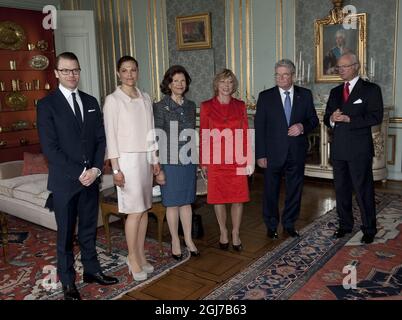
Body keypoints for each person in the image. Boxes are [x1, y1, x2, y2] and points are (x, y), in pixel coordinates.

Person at [37, 52, 118, 300]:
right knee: (65, 236)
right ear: (57, 73)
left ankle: (92, 271)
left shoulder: (91, 100)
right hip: (65, 183)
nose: (72, 75)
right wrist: (81, 172)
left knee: (88, 230)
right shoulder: (47, 105)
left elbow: (99, 139)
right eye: (66, 70)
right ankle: (68, 282)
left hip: (91, 180)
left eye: (75, 70)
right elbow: (50, 148)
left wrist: (94, 169)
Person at [103, 56, 160, 281]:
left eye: (133, 70)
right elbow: (111, 137)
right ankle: (131, 258)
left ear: (138, 72)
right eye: (125, 70)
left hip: (144, 160)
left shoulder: (145, 97)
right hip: (126, 161)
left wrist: (154, 159)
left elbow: (151, 131)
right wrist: (116, 170)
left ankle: (141, 254)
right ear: (118, 73)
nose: (129, 74)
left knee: (144, 209)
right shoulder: (112, 100)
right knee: (133, 212)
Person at [254, 59, 319, 239]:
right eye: (278, 75)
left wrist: (302, 127)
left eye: (285, 74)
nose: (281, 78)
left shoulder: (305, 95)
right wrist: (260, 154)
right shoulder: (265, 96)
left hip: (296, 152)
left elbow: (313, 120)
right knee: (270, 191)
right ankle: (271, 225)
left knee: (294, 190)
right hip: (272, 153)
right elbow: (260, 127)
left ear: (293, 76)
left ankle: (289, 224)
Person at [323, 52, 383, 244]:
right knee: (341, 190)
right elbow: (326, 118)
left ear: (356, 66)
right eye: (338, 67)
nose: (340, 70)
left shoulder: (371, 90)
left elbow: (376, 117)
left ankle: (369, 228)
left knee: (363, 190)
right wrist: (331, 119)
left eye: (344, 66)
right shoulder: (334, 92)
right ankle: (345, 225)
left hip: (359, 150)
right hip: (339, 149)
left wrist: (350, 119)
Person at [200, 69, 254, 251]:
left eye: (230, 82)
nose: (226, 86)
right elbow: (204, 135)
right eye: (223, 82)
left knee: (238, 198)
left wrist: (248, 160)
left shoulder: (240, 106)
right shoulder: (206, 106)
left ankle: (235, 233)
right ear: (217, 84)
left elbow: (245, 134)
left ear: (234, 86)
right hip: (215, 161)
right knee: (218, 199)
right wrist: (204, 162)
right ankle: (223, 231)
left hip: (237, 158)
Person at [153, 65, 199, 260]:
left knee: (187, 202)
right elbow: (156, 137)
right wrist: (158, 168)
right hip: (169, 162)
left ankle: (188, 239)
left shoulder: (190, 106)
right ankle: (174, 240)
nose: (180, 84)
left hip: (188, 160)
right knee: (172, 203)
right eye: (175, 81)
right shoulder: (160, 107)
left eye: (183, 80)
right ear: (169, 84)